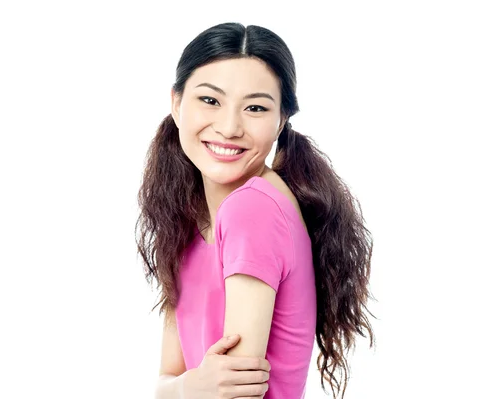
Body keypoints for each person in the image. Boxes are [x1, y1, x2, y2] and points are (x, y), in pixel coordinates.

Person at [136, 22, 376, 399]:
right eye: (210, 100)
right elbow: (167, 380)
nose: (229, 127)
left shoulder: (252, 209)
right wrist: (188, 388)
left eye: (255, 108)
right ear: (176, 104)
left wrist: (184, 389)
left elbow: (234, 393)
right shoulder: (185, 214)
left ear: (282, 120)